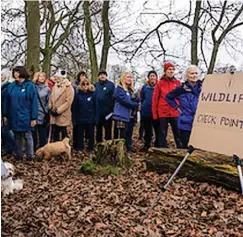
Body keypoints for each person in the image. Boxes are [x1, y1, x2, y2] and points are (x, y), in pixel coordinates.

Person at [3, 66, 38, 161]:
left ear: (22, 73)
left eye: (17, 72)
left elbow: (34, 102)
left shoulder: (30, 86)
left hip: (26, 115)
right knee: (17, 135)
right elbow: (6, 101)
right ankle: (19, 155)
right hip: (13, 115)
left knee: (28, 135)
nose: (15, 74)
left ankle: (30, 155)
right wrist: (5, 115)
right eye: (14, 72)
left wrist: (34, 117)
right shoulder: (11, 86)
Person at [165, 65, 202, 148]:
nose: (194, 75)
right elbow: (168, 97)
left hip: (199, 122)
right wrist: (177, 107)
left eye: (196, 73)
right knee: (185, 146)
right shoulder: (181, 89)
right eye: (192, 73)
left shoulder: (203, 88)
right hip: (185, 122)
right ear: (187, 75)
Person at [152, 62, 182, 148]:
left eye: (173, 69)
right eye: (169, 69)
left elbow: (180, 97)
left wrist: (180, 109)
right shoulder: (160, 83)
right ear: (165, 71)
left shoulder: (178, 83)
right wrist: (155, 114)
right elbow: (155, 99)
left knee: (177, 132)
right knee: (162, 133)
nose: (171, 71)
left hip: (175, 112)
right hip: (163, 112)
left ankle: (181, 150)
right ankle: (162, 150)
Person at [113, 72, 140, 152]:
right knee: (122, 135)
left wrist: (138, 104)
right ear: (123, 78)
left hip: (130, 116)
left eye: (131, 77)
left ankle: (128, 148)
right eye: (128, 77)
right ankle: (120, 150)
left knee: (129, 134)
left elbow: (138, 99)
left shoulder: (132, 90)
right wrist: (136, 105)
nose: (129, 79)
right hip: (121, 115)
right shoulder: (119, 89)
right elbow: (125, 101)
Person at [73, 78, 99, 153]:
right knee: (80, 135)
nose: (85, 86)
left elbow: (96, 108)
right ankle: (80, 148)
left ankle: (90, 148)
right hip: (80, 119)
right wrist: (74, 119)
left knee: (91, 135)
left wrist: (96, 118)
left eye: (87, 84)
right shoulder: (77, 95)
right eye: (83, 84)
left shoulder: (93, 95)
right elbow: (74, 108)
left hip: (90, 118)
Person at [49, 70, 74, 141]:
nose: (55, 78)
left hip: (63, 114)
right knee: (55, 133)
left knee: (64, 133)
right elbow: (51, 97)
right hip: (54, 114)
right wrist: (50, 107)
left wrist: (58, 111)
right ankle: (56, 148)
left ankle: (64, 149)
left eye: (57, 77)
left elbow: (68, 102)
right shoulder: (55, 86)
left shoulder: (69, 87)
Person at [140, 70, 161, 151]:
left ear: (156, 77)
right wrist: (142, 106)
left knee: (158, 130)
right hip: (146, 112)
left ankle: (157, 145)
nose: (152, 77)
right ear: (148, 78)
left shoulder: (159, 86)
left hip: (157, 112)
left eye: (154, 76)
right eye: (151, 76)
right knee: (147, 130)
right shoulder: (145, 87)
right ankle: (147, 144)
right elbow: (142, 97)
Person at [95, 69, 115, 143]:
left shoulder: (111, 85)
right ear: (98, 76)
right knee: (98, 130)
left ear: (106, 76)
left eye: (104, 74)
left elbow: (114, 97)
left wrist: (111, 109)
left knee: (108, 129)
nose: (102, 76)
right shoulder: (95, 85)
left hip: (108, 112)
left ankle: (108, 145)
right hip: (98, 112)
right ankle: (99, 144)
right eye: (101, 74)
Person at [32, 72, 51, 150]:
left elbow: (49, 101)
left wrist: (46, 110)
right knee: (33, 133)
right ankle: (33, 148)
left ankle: (43, 149)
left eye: (44, 76)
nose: (42, 78)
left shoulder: (47, 89)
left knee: (42, 132)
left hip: (42, 113)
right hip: (33, 113)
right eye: (40, 76)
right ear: (37, 77)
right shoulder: (32, 87)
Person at [72, 71, 88, 150]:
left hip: (85, 110)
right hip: (76, 107)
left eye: (84, 76)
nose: (83, 77)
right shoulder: (74, 86)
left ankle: (84, 144)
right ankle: (76, 145)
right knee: (76, 129)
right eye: (81, 76)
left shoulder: (87, 85)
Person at [1, 70, 15, 156]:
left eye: (2, 75)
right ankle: (7, 146)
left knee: (5, 130)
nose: (0, 76)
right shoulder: (3, 85)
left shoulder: (7, 86)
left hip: (5, 110)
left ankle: (12, 146)